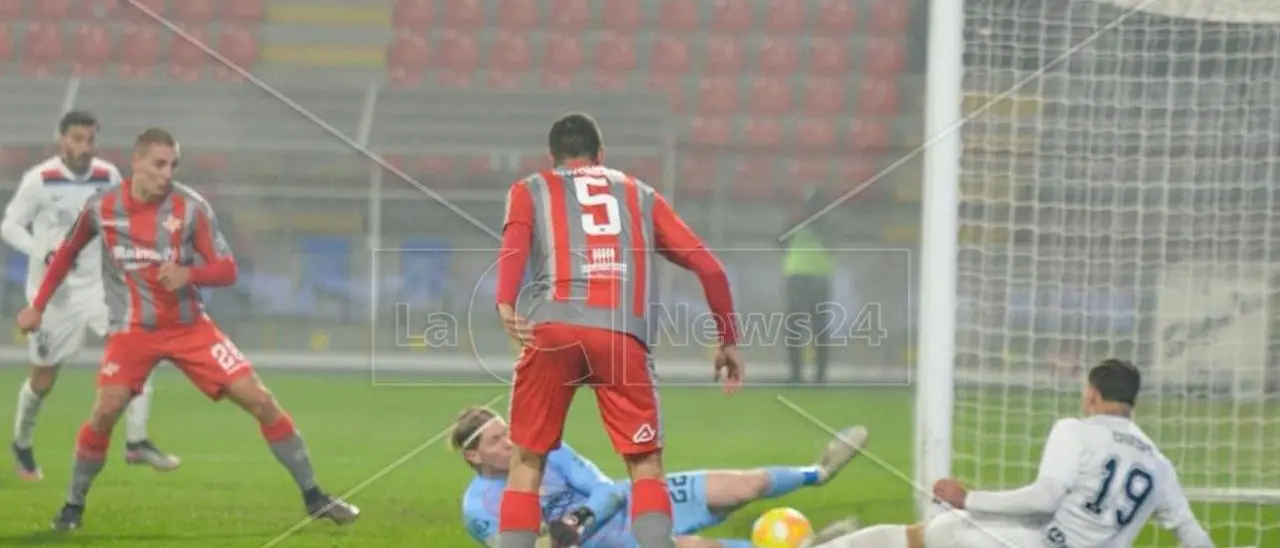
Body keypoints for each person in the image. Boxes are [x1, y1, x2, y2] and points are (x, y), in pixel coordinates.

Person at [16, 127, 360, 531]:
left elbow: (227, 269)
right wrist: (37, 306)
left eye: (173, 165)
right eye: (159, 164)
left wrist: (189, 273)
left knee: (262, 401)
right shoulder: (102, 207)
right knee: (105, 411)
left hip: (190, 328)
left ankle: (315, 497)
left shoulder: (192, 208)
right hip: (132, 332)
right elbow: (67, 253)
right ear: (136, 162)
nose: (167, 173)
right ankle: (72, 507)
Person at [493, 112, 743, 548]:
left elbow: (514, 246)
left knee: (527, 461)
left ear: (552, 157)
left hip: (552, 331)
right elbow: (711, 269)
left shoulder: (530, 188)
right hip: (622, 337)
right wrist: (728, 340)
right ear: (600, 154)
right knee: (645, 466)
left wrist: (505, 302)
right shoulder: (641, 195)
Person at [813, 359, 1215, 548]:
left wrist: (968, 498)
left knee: (936, 533)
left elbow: (1045, 498)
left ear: (1091, 395)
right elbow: (1193, 537)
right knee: (947, 529)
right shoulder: (1159, 465)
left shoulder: (1076, 431)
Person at [1, 110, 178, 480]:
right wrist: (40, 251)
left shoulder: (107, 175)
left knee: (140, 347)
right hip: (54, 293)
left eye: (90, 140)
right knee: (43, 380)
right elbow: (9, 226)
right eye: (77, 139)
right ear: (62, 139)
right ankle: (22, 443)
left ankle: (136, 441)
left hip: (98, 286)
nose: (84, 147)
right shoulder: (40, 179)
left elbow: (121, 218)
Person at [453, 406, 869, 548]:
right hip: (610, 544)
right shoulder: (478, 507)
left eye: (507, 431)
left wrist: (576, 520)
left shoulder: (548, 448)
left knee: (746, 485)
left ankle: (818, 472)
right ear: (474, 455)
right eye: (496, 440)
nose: (510, 441)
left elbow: (608, 490)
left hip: (635, 499)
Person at [778, 190, 836, 384]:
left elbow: (834, 246)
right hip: (803, 277)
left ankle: (816, 374)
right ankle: (800, 374)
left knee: (817, 328)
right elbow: (779, 242)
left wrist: (815, 226)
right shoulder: (797, 223)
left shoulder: (827, 226)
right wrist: (795, 224)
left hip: (811, 278)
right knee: (799, 328)